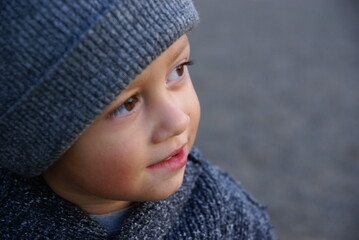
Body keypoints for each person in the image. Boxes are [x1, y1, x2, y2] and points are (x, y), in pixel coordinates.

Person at [0, 0, 276, 239]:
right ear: (36, 138)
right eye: (127, 104)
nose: (177, 120)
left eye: (178, 70)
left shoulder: (226, 212)